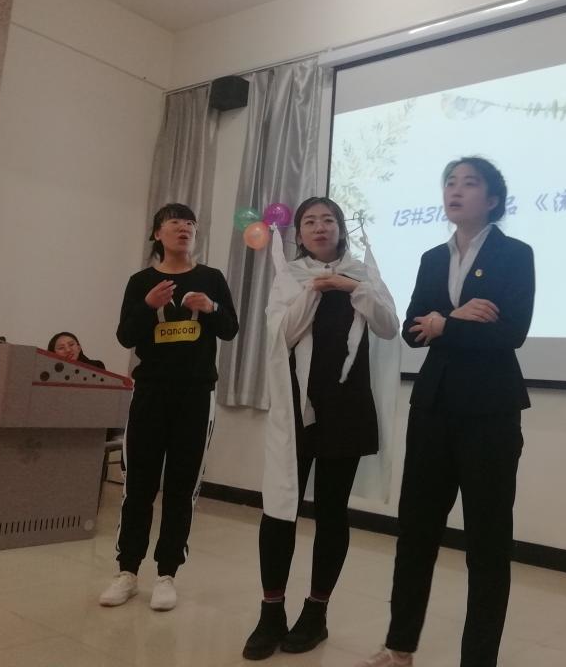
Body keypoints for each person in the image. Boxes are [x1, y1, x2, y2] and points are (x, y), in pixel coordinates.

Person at [357, 157, 535, 667]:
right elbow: (414, 331)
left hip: (490, 413)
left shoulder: (515, 254)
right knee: (416, 532)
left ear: (493, 199)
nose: (455, 191)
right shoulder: (433, 257)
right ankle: (399, 647)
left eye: (469, 183)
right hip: (433, 407)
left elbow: (510, 332)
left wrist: (444, 325)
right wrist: (454, 318)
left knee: (487, 542)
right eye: (450, 183)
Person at [243, 197, 400, 660]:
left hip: (347, 410)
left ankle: (316, 613)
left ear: (341, 228)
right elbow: (282, 335)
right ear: (299, 233)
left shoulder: (362, 273)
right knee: (279, 509)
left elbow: (389, 326)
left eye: (328, 219)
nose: (319, 226)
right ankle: (271, 613)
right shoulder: (290, 276)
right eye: (310, 221)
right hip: (296, 412)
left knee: (332, 512)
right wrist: (314, 289)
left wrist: (351, 287)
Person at [98, 203, 238, 612]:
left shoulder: (211, 278)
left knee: (181, 486)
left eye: (190, 223)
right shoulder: (141, 281)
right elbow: (126, 337)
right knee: (138, 484)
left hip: (196, 393)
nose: (185, 228)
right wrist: (147, 304)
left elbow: (230, 328)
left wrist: (212, 308)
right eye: (175, 222)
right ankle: (127, 571)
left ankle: (167, 574)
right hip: (151, 391)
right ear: (157, 233)